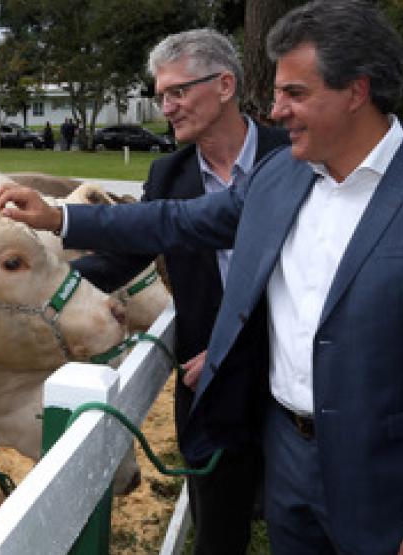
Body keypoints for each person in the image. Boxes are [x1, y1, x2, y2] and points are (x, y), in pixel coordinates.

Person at [0, 2, 403, 554]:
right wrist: (59, 215)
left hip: (387, 478)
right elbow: (176, 219)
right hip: (287, 456)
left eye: (294, 93)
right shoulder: (282, 174)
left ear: (356, 91)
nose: (276, 110)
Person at [64, 28, 287, 555]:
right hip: (210, 389)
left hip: (292, 384)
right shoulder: (168, 173)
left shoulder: (294, 158)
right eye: (161, 94)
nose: (166, 106)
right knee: (217, 531)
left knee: (302, 525)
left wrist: (239, 348)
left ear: (225, 84)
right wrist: (49, 289)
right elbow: (126, 256)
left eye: (178, 91)